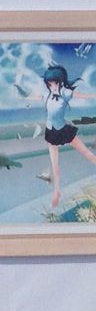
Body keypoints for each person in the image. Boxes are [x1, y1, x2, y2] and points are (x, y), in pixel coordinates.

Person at [42, 64, 96, 208]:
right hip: (51, 132)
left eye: (55, 83)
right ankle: (57, 191)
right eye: (49, 83)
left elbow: (83, 96)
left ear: (60, 81)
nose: (52, 86)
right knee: (55, 164)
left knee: (85, 152)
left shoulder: (65, 92)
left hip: (63, 129)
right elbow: (34, 96)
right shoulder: (47, 95)